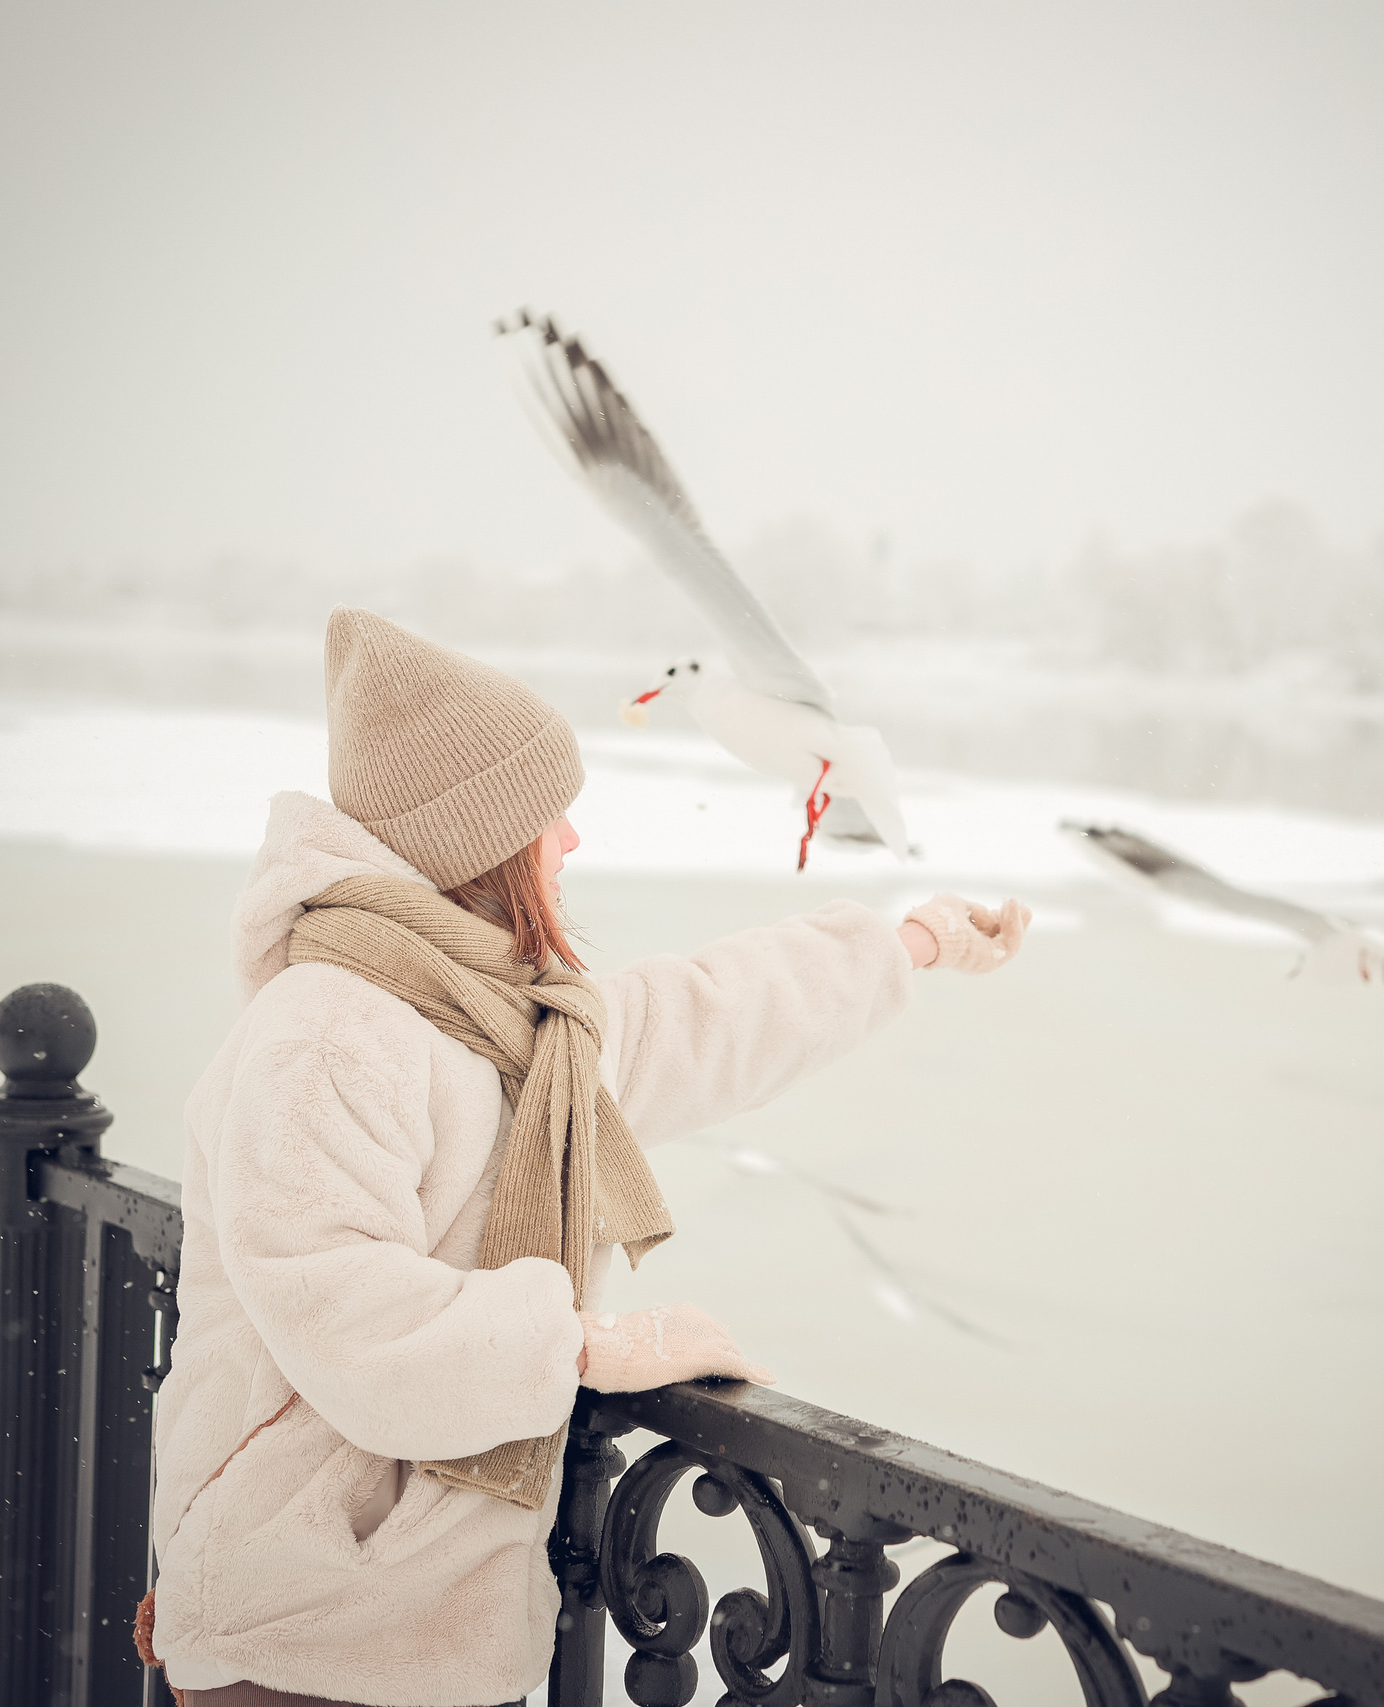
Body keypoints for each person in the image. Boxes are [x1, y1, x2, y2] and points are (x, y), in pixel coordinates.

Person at [140, 608, 1030, 1707]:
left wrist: (909, 942)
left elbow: (705, 1015)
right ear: (480, 840)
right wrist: (582, 1346)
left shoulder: (510, 1025)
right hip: (304, 1620)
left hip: (424, 1627)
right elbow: (345, 1315)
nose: (570, 843)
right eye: (549, 819)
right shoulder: (327, 1032)